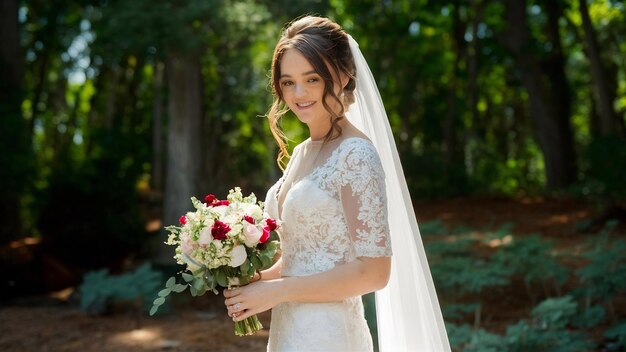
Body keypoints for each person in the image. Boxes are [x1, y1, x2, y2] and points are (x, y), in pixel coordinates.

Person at [223, 15, 451, 351]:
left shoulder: (356, 155)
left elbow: (374, 272)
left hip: (330, 335)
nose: (298, 93)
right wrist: (255, 281)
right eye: (288, 82)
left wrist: (278, 291)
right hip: (288, 332)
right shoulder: (301, 153)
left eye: (311, 79)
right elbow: (306, 258)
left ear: (343, 77)